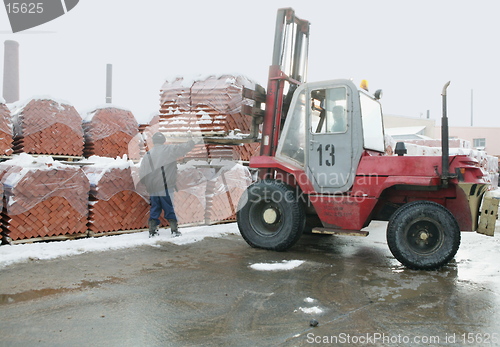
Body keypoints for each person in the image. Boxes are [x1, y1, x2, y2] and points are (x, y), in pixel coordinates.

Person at [139, 132, 195, 237]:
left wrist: (148, 184)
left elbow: (142, 173)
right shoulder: (168, 150)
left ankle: (152, 231)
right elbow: (182, 148)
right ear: (163, 141)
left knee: (155, 207)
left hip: (153, 188)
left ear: (154, 142)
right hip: (165, 186)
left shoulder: (148, 155)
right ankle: (174, 230)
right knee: (169, 207)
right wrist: (192, 142)